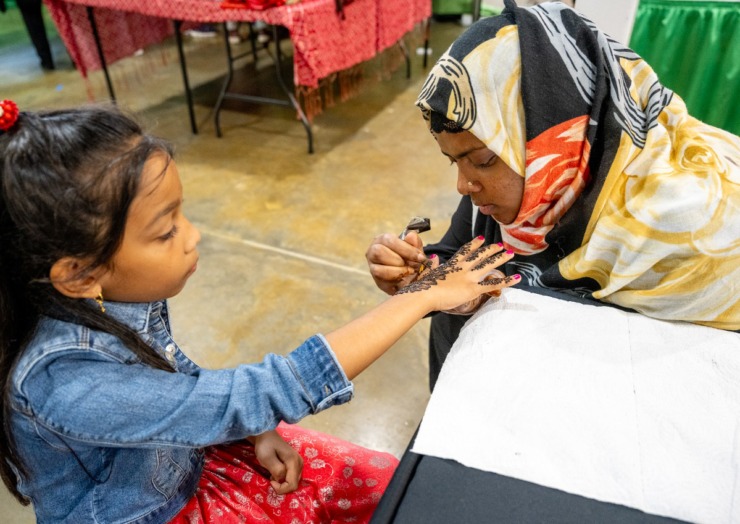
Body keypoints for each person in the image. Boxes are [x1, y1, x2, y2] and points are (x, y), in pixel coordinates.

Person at [0, 100, 520, 523]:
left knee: (392, 486)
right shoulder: (64, 381)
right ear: (79, 272)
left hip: (190, 459)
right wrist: (424, 295)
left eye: (182, 215)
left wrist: (250, 428)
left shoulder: (107, 295)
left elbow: (182, 383)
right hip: (155, 510)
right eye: (166, 231)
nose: (194, 235)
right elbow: (255, 391)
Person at [365, 0, 740, 389]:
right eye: (453, 162)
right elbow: (460, 254)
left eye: (483, 159)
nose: (464, 185)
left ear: (553, 135)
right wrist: (420, 275)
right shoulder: (526, 181)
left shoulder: (696, 224)